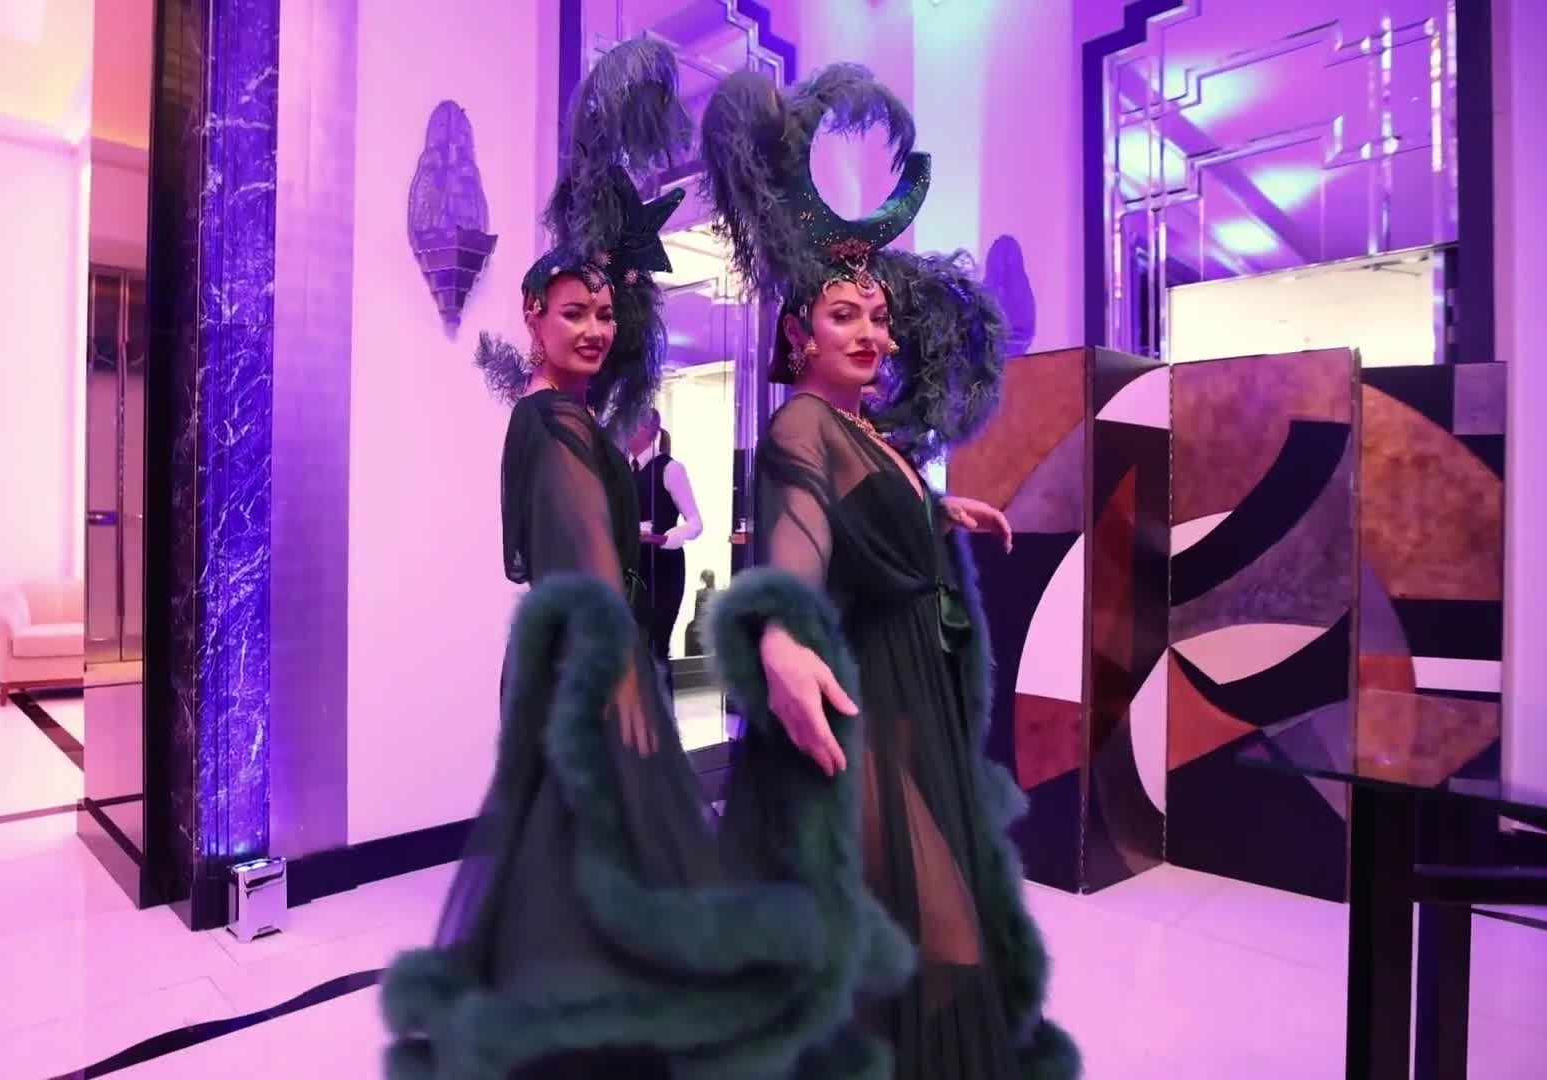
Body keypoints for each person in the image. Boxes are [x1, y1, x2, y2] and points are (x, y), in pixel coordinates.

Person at [380, 39, 910, 1080]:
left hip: (571, 661)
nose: (592, 328)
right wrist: (619, 671)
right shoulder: (554, 425)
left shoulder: (569, 418)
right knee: (601, 849)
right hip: (589, 665)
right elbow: (580, 551)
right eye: (572, 312)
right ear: (531, 317)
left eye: (603, 314)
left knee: (571, 858)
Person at [698, 66, 1080, 1079]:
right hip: (860, 690)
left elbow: (862, 513)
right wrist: (780, 633)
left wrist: (933, 510)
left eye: (876, 315)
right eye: (843, 316)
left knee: (908, 931)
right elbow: (798, 538)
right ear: (797, 334)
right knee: (915, 933)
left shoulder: (867, 431)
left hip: (913, 697)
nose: (870, 332)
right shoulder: (801, 424)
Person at [623, 408, 702, 689]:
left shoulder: (670, 469)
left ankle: (663, 713)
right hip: (632, 567)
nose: (626, 429)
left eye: (633, 424)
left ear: (650, 431)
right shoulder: (623, 471)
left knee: (656, 646)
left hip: (664, 568)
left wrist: (665, 538)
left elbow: (695, 523)